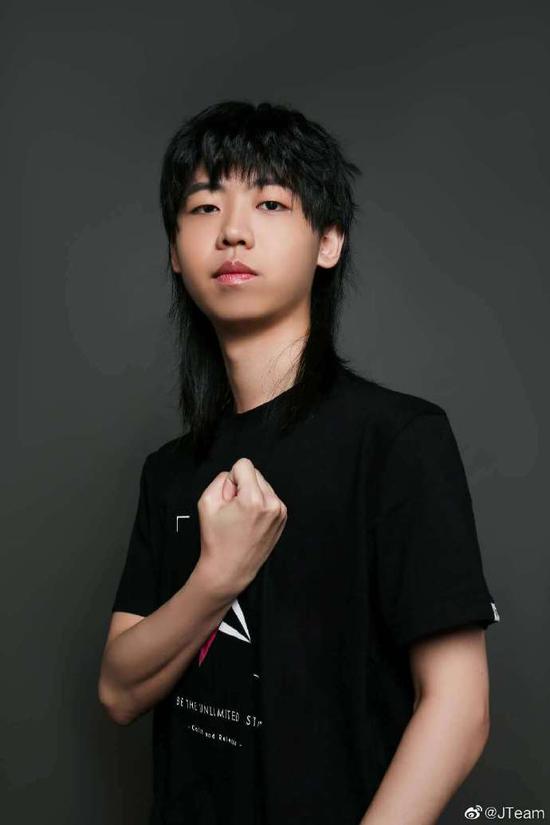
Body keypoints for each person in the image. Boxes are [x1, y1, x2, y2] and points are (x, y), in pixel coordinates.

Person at [98, 99, 501, 825]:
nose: (232, 230)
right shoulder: (170, 470)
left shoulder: (397, 439)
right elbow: (119, 690)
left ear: (329, 241)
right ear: (174, 251)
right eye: (204, 206)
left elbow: (459, 708)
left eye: (271, 202)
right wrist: (218, 578)